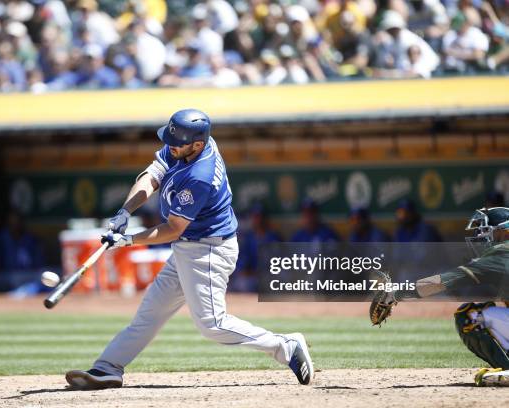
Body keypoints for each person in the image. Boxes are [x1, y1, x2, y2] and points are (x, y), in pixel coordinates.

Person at [65, 109, 314, 389]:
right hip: (189, 248)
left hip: (207, 251)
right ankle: (107, 368)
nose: (170, 145)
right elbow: (153, 175)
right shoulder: (188, 145)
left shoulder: (200, 175)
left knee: (212, 324)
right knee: (150, 313)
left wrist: (128, 240)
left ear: (197, 144)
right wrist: (125, 211)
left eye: (176, 142)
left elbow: (172, 229)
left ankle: (286, 346)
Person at [370, 207, 509, 386]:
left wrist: (394, 293)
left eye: (486, 231)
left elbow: (441, 282)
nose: (480, 237)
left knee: (469, 315)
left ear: (504, 232)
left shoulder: (500, 253)